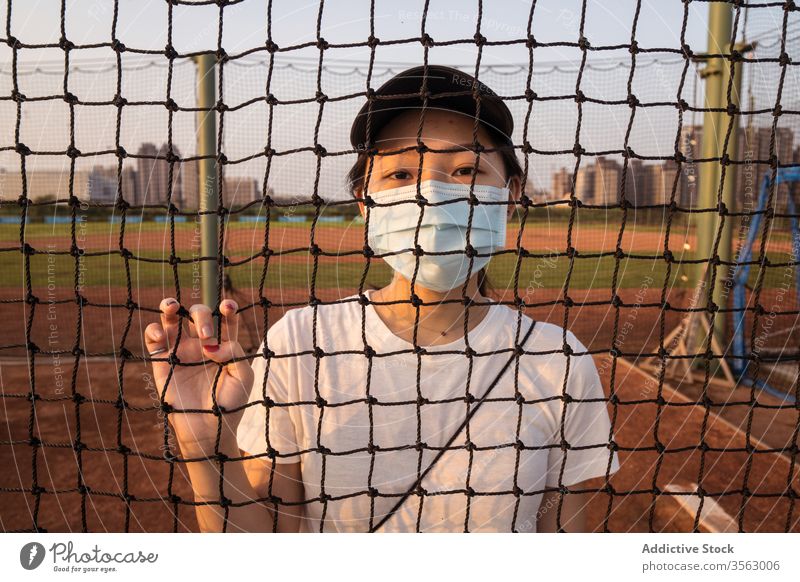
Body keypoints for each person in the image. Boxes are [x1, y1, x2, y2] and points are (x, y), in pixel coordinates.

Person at [143, 64, 620, 533]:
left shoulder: (557, 361)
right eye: (399, 174)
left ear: (511, 194)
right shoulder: (303, 342)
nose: (430, 193)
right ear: (363, 200)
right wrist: (206, 446)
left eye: (466, 168)